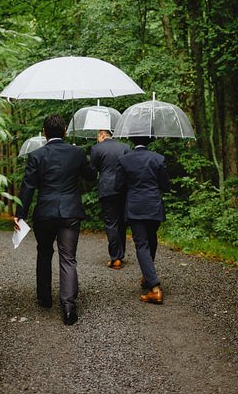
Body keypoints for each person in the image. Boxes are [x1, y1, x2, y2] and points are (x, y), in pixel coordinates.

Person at [14, 114, 96, 325]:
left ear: (44, 132)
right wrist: (83, 159)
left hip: (45, 213)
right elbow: (91, 176)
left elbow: (28, 187)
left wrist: (19, 214)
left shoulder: (36, 155)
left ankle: (44, 297)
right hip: (70, 213)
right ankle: (69, 308)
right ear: (65, 131)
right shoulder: (76, 152)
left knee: (44, 252)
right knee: (68, 257)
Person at [114, 136, 171, 304]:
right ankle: (148, 276)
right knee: (151, 240)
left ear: (132, 139)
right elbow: (166, 186)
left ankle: (154, 288)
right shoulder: (158, 158)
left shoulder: (124, 160)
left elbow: (118, 186)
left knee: (142, 244)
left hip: (136, 207)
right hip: (154, 206)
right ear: (149, 140)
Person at [89, 129, 130, 269]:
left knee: (111, 222)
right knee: (121, 223)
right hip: (123, 188)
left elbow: (92, 171)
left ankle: (115, 258)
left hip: (107, 189)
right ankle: (120, 254)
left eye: (97, 137)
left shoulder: (96, 148)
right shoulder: (125, 147)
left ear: (101, 134)